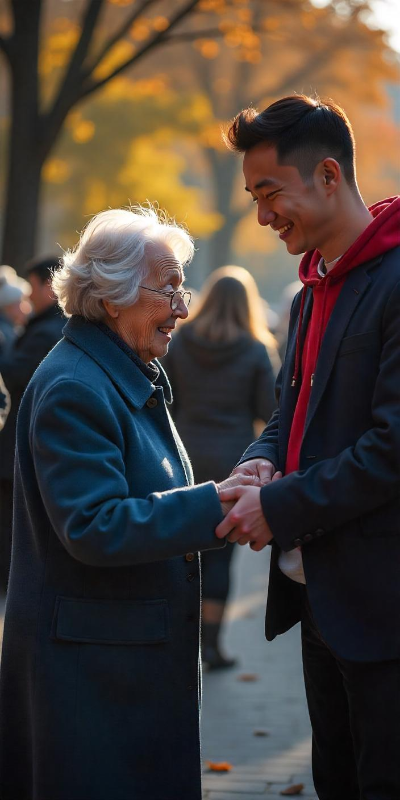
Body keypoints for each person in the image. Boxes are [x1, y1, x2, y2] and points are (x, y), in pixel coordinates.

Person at [0, 206, 255, 800]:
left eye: (181, 286)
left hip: (111, 664)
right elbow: (93, 525)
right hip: (91, 677)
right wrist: (212, 504)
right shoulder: (77, 386)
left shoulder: (113, 370)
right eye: (167, 288)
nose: (183, 306)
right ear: (111, 298)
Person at [216, 95, 400, 798]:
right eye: (255, 198)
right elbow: (285, 415)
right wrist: (261, 460)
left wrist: (280, 505)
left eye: (270, 194)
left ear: (328, 175)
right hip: (320, 595)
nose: (263, 217)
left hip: (384, 604)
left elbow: (391, 448)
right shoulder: (306, 295)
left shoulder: (394, 281)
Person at [163, 265, 278, 669]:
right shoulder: (253, 348)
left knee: (179, 549)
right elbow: (271, 412)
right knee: (221, 556)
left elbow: (166, 400)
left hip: (184, 454)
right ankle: (210, 645)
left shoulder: (181, 340)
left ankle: (177, 639)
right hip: (232, 462)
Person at [0, 256, 65, 591]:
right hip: (25, 440)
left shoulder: (46, 331)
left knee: (12, 520)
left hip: (19, 441)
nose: (28, 295)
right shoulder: (47, 327)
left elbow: (13, 375)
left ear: (49, 286)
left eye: (32, 286)